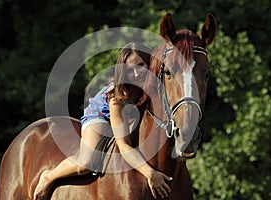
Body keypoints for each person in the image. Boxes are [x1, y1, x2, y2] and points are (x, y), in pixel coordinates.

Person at [34, 42, 173, 200]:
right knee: (86, 163)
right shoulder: (116, 96)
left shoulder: (155, 86)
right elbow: (123, 144)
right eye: (130, 69)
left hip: (130, 116)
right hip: (102, 114)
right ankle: (49, 176)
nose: (136, 73)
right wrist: (150, 173)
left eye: (141, 65)